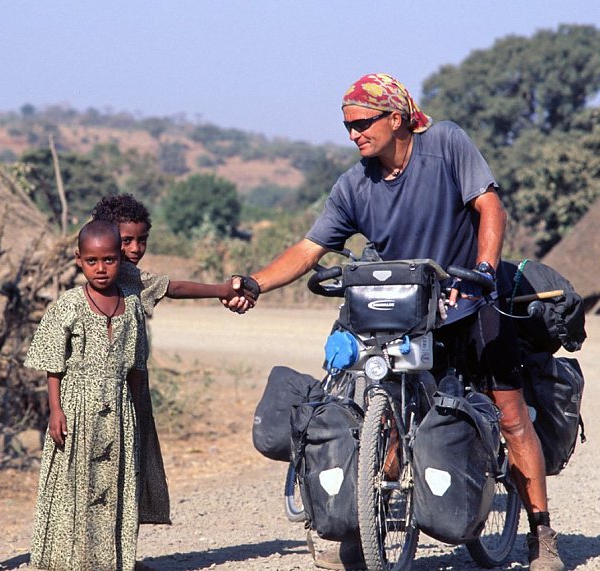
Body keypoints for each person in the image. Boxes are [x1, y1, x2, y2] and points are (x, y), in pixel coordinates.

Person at [227, 73, 564, 571]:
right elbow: (308, 248)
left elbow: (490, 205)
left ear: (397, 117)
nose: (354, 134)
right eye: (347, 126)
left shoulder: (446, 144)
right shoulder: (354, 185)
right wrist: (254, 283)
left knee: (511, 416)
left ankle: (541, 532)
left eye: (363, 123)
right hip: (402, 315)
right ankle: (370, 520)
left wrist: (484, 271)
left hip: (469, 304)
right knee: (382, 410)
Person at [91, 193, 256, 525]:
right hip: (101, 395)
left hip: (131, 390)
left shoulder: (127, 276)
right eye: (127, 241)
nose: (136, 249)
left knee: (127, 470)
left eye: (142, 240)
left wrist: (225, 290)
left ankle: (120, 556)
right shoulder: (113, 278)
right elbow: (175, 288)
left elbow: (172, 287)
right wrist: (224, 290)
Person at [24, 219, 150, 570]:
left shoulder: (132, 307)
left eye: (109, 260)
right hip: (76, 409)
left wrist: (134, 415)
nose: (101, 268)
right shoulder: (69, 305)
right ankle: (70, 559)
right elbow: (53, 364)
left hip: (118, 410)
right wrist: (55, 410)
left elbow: (136, 365)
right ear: (79, 260)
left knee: (113, 487)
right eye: (92, 261)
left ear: (120, 260)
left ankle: (109, 560)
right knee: (73, 486)